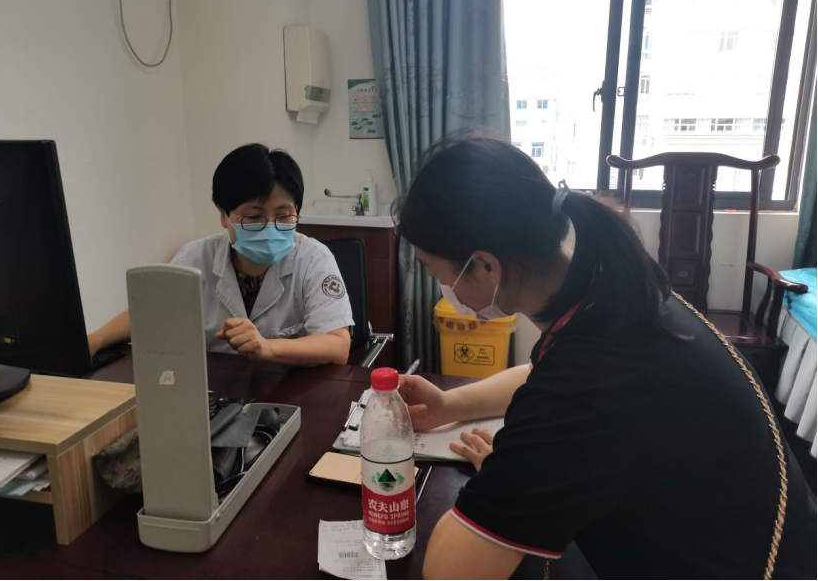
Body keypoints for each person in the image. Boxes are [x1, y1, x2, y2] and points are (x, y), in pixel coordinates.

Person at [393, 137, 816, 579]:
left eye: (434, 270)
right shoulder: (615, 295)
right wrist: (448, 406)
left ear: (484, 265)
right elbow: (541, 374)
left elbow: (450, 572)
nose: (443, 286)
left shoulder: (590, 376)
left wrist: (507, 482)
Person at [89, 143, 354, 367]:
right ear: (224, 216)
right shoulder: (194, 258)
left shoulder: (314, 259)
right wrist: (93, 341)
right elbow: (150, 310)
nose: (271, 227)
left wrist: (268, 348)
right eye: (254, 216)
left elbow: (338, 346)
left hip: (294, 390)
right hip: (219, 390)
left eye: (284, 215)